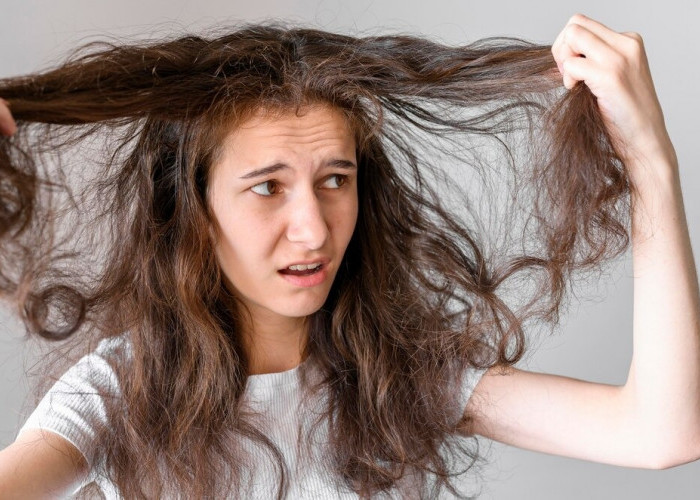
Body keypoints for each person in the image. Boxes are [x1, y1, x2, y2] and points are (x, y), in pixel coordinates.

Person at [0, 12, 698, 499]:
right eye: (267, 188)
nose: (313, 230)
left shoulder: (401, 377)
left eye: (335, 180)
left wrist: (650, 159)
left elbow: (661, 432)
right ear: (193, 213)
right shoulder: (115, 398)